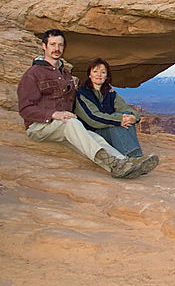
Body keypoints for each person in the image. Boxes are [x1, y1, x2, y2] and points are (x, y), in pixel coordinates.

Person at [16, 29, 158, 178]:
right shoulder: (33, 74)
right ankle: (115, 164)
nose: (56, 48)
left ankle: (127, 164)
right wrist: (54, 114)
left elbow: (76, 101)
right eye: (52, 44)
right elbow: (25, 109)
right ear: (44, 46)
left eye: (60, 45)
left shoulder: (65, 74)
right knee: (72, 123)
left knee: (93, 137)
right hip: (40, 127)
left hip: (62, 126)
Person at [75, 58, 155, 167]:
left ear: (107, 76)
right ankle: (131, 158)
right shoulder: (82, 94)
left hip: (107, 131)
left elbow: (126, 108)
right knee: (117, 124)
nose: (99, 75)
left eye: (103, 72)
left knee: (126, 116)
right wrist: (119, 119)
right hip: (92, 133)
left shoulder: (110, 92)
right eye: (95, 71)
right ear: (89, 74)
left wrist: (133, 117)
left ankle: (136, 158)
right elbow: (93, 118)